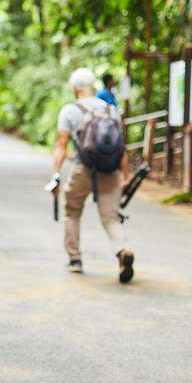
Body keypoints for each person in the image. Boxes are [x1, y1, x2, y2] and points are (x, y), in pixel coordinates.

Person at [52, 67, 135, 283]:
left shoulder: (69, 110)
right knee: (110, 217)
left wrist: (56, 175)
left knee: (72, 212)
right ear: (93, 87)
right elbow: (121, 147)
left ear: (75, 89)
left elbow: (61, 146)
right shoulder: (110, 109)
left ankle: (75, 260)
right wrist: (125, 176)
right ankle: (122, 249)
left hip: (83, 169)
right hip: (110, 169)